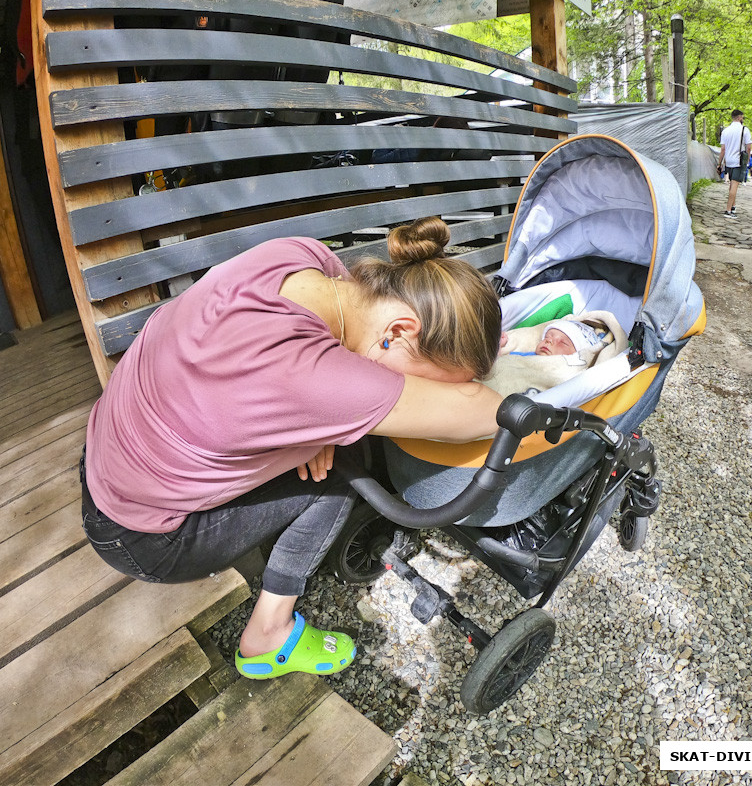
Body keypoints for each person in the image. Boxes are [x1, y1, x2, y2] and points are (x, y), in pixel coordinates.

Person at [81, 217, 505, 680]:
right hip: (139, 535)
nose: (415, 390)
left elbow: (254, 385)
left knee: (334, 449)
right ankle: (267, 636)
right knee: (342, 477)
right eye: (424, 381)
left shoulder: (298, 257)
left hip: (108, 457)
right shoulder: (316, 380)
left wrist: (315, 428)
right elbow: (488, 412)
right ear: (401, 329)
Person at [481, 313, 627, 397]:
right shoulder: (523, 355)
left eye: (563, 343)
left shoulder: (570, 371)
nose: (549, 342)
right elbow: (500, 365)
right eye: (547, 337)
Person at [717, 109, 752, 218]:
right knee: (734, 185)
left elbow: (723, 149)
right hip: (738, 161)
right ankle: (728, 211)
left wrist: (720, 163)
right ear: (740, 117)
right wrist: (747, 160)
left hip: (728, 160)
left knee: (732, 184)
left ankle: (733, 205)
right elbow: (749, 147)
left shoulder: (725, 131)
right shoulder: (744, 130)